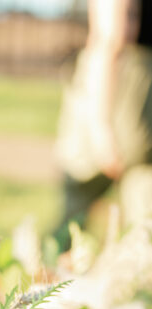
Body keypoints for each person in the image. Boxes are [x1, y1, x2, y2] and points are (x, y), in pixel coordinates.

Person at [56, 0, 152, 239]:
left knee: (73, 221)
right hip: (125, 92)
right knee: (143, 226)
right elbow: (110, 39)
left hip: (124, 93)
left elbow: (110, 39)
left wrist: (101, 126)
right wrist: (101, 127)